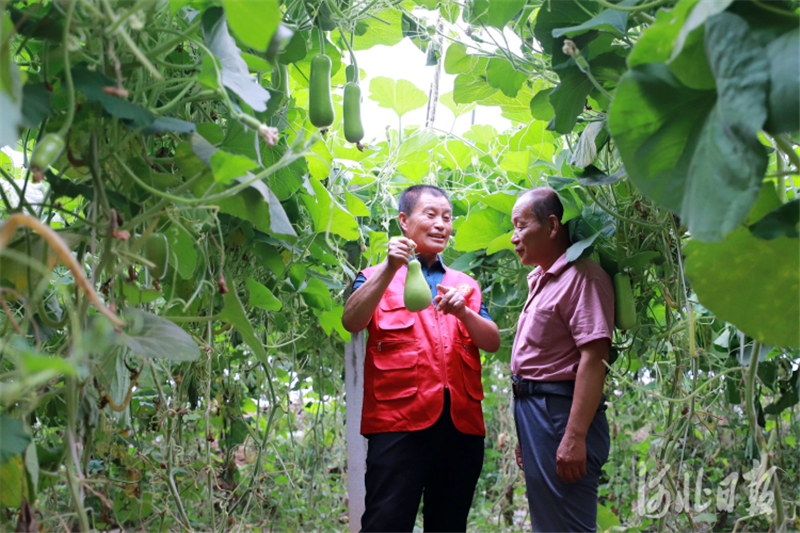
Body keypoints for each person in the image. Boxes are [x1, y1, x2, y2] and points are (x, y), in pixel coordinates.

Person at [342, 184, 500, 533]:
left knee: (449, 525)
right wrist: (388, 267)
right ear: (404, 220)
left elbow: (491, 341)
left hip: (461, 427)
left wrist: (466, 313)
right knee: (386, 523)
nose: (441, 224)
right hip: (398, 424)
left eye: (447, 217)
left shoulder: (465, 285)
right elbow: (352, 321)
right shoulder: (373, 277)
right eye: (430, 214)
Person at [509, 187, 615, 532]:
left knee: (566, 526)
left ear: (552, 226)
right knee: (550, 523)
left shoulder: (582, 277)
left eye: (520, 226)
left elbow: (595, 357)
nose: (513, 238)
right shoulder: (543, 280)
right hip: (540, 415)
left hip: (560, 414)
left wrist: (574, 436)